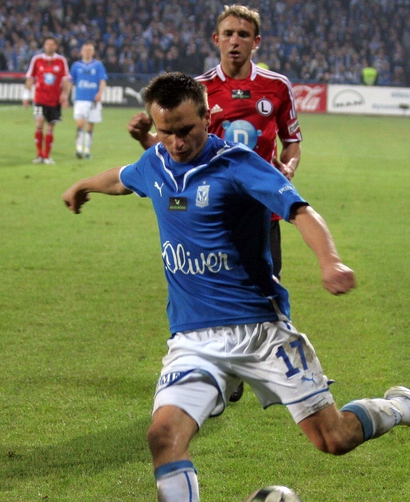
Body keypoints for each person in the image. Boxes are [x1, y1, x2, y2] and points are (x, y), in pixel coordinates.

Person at [62, 72, 410, 502]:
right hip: (192, 338)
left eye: (185, 128)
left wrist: (330, 262)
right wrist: (83, 184)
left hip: (259, 331)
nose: (175, 140)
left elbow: (300, 209)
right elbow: (122, 177)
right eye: (165, 130)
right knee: (163, 433)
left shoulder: (237, 164)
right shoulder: (157, 162)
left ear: (207, 119)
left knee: (333, 438)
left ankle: (404, 406)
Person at [128, 4, 303, 404]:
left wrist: (288, 168)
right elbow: (173, 151)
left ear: (256, 42)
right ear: (216, 39)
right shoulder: (197, 88)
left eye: (243, 34)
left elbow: (291, 140)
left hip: (260, 208)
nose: (235, 41)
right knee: (205, 285)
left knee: (261, 283)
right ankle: (219, 372)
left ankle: (258, 362)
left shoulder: (277, 87)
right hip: (205, 210)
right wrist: (144, 141)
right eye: (228, 34)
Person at [24, 37, 71, 165]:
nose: (50, 46)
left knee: (50, 127)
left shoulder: (61, 60)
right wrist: (26, 95)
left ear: (55, 46)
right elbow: (30, 77)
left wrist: (65, 95)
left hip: (54, 100)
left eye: (52, 44)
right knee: (39, 123)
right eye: (47, 44)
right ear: (44, 46)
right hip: (39, 98)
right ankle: (39, 155)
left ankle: (47, 156)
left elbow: (66, 79)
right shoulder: (37, 59)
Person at [69, 42, 107, 159]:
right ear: (81, 51)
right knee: (80, 124)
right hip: (80, 99)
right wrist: (66, 95)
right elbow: (71, 81)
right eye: (85, 50)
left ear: (93, 52)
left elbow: (102, 81)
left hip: (93, 101)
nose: (87, 52)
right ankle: (79, 148)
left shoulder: (98, 65)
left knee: (90, 127)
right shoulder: (76, 65)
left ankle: (87, 150)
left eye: (89, 50)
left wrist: (100, 93)